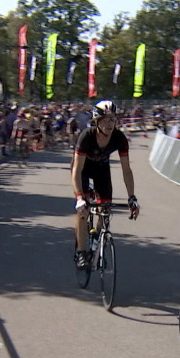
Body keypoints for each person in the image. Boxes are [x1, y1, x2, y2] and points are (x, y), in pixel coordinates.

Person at [71, 101, 140, 269]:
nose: (110, 123)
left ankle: (97, 241)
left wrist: (132, 197)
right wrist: (80, 197)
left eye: (113, 119)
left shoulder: (119, 138)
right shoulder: (86, 136)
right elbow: (77, 170)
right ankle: (81, 252)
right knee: (83, 211)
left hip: (101, 169)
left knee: (105, 209)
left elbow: (126, 170)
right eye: (106, 119)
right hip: (83, 170)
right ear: (97, 121)